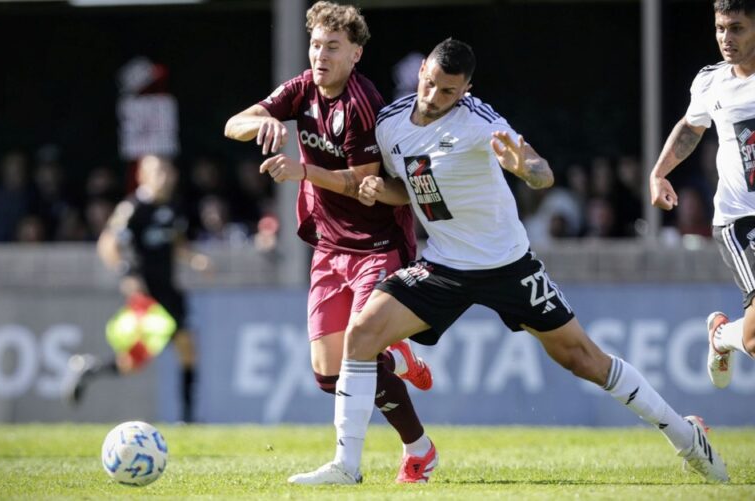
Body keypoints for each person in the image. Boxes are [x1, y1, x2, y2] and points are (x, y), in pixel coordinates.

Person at [289, 38, 730, 485]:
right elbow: (412, 187)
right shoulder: (389, 124)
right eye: (430, 84)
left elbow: (542, 172)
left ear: (466, 90)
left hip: (508, 266)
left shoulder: (480, 120)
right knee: (361, 334)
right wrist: (381, 191)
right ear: (422, 70)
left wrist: (523, 167)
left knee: (582, 359)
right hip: (443, 265)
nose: (434, 97)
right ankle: (347, 466)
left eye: (448, 92)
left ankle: (685, 436)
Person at [223, 1, 436, 483]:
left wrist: (302, 171)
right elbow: (233, 124)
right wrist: (266, 123)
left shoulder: (363, 103)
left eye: (332, 47)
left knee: (358, 355)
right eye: (316, 44)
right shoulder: (301, 89)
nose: (320, 55)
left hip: (377, 242)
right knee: (327, 375)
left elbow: (361, 185)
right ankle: (414, 426)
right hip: (328, 247)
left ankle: (364, 462)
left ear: (355, 54)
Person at [650, 0, 755, 390]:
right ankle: (725, 337)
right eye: (720, 28)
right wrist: (659, 173)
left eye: (737, 28)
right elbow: (692, 128)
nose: (726, 39)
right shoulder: (711, 80)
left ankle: (722, 336)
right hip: (741, 219)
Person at [63, 155, 210, 423]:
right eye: (157, 172)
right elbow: (108, 243)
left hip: (169, 291)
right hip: (146, 296)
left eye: (167, 171)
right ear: (143, 176)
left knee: (188, 349)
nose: (164, 177)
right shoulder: (133, 208)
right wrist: (127, 273)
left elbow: (176, 243)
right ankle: (90, 368)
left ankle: (188, 419)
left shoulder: (173, 209)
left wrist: (194, 259)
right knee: (133, 362)